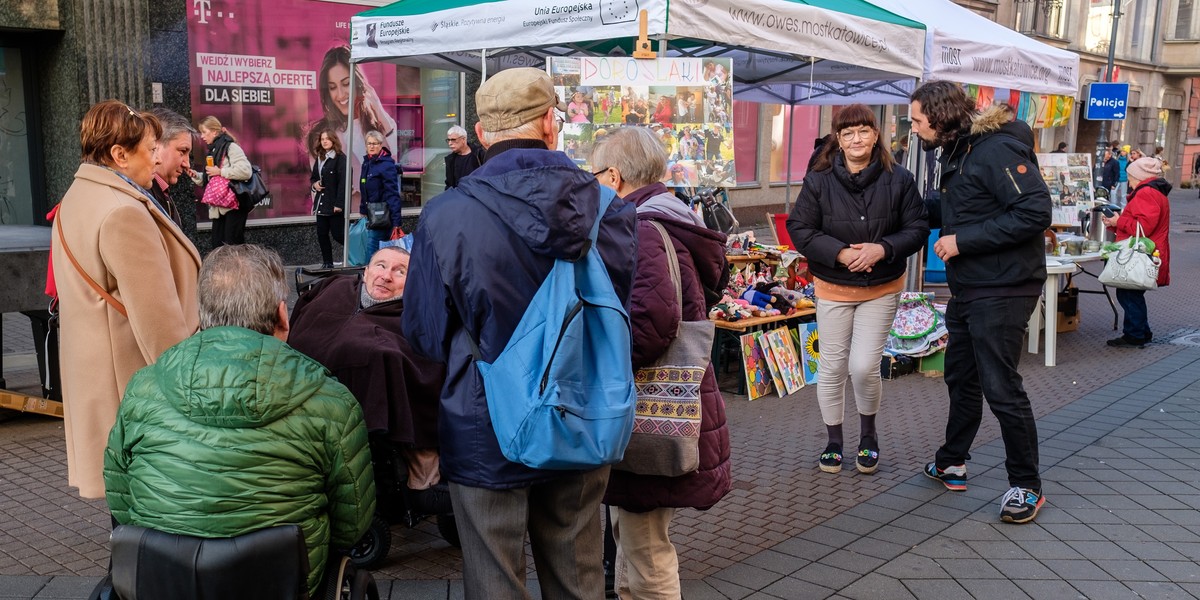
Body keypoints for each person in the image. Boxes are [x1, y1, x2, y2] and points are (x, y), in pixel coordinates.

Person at [402, 67, 637, 600]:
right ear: (551, 124)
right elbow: (616, 312)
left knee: (493, 583)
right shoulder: (611, 211)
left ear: (482, 134)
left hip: (482, 420)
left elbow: (422, 333)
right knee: (579, 579)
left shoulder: (445, 215)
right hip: (582, 415)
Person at [103, 244, 375, 599]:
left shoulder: (144, 386)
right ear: (282, 314)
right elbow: (351, 522)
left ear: (202, 314)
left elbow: (121, 497)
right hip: (281, 585)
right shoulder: (330, 400)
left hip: (164, 582)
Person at [591, 126, 732, 600]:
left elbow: (650, 323)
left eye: (594, 174)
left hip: (646, 405)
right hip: (666, 407)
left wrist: (600, 361)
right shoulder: (669, 217)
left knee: (646, 548)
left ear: (614, 175)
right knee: (634, 541)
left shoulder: (643, 227)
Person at [909, 81, 1051, 524]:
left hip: (1005, 287)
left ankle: (1026, 486)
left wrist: (962, 241)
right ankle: (952, 459)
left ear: (940, 115)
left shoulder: (993, 150)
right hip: (971, 286)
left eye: (916, 120)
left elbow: (1034, 212)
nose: (913, 129)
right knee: (961, 376)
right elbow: (965, 205)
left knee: (1000, 386)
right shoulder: (959, 150)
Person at [50, 100, 201, 499]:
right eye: (150, 150)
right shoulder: (123, 212)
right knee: (144, 501)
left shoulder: (78, 197)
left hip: (96, 374)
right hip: (131, 382)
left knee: (122, 495)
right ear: (119, 155)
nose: (156, 158)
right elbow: (159, 325)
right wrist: (191, 394)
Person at [788, 104, 930, 476]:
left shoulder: (899, 178)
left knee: (865, 366)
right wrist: (839, 253)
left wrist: (882, 249)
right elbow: (800, 228)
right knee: (832, 366)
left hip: (881, 285)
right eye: (848, 132)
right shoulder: (818, 179)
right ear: (838, 137)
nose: (856, 139)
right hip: (834, 285)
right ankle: (834, 441)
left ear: (876, 134)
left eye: (863, 131)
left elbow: (917, 227)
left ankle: (868, 436)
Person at [289, 246, 449, 513]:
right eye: (380, 266)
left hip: (368, 419)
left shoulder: (416, 318)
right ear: (365, 272)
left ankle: (422, 476)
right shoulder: (333, 289)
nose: (386, 276)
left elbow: (425, 367)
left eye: (400, 272)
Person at [309, 45, 397, 206]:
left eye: (346, 83)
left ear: (357, 82)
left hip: (377, 212)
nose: (341, 94)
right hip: (341, 215)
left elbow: (393, 164)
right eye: (333, 87)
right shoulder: (321, 134)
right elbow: (322, 186)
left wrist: (377, 107)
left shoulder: (380, 123)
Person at [1101, 157, 1171, 348]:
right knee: (1132, 293)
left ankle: (1135, 334)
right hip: (1146, 249)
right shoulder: (1153, 192)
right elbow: (1140, 226)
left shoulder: (1146, 193)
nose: (1129, 181)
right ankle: (1142, 331)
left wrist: (1118, 222)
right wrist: (1116, 225)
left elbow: (1143, 227)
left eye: (1131, 177)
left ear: (1140, 177)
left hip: (1141, 252)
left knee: (1129, 293)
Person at [197, 116, 253, 247]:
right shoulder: (213, 151)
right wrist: (196, 176)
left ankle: (241, 268)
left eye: (204, 132)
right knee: (217, 247)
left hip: (234, 205)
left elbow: (245, 171)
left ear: (214, 132)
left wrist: (220, 171)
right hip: (219, 207)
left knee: (232, 247)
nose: (201, 136)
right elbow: (213, 180)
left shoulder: (231, 147)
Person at [360, 129, 403, 255]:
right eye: (369, 143)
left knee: (372, 251)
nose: (372, 146)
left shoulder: (386, 165)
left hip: (382, 215)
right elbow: (364, 188)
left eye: (375, 143)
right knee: (380, 252)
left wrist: (396, 222)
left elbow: (393, 193)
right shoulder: (367, 163)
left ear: (380, 145)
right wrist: (363, 209)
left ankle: (369, 273)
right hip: (371, 214)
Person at [148, 108, 194, 226]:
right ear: (155, 145)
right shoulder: (143, 195)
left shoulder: (159, 191)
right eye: (182, 151)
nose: (187, 164)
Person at [310, 128, 347, 269]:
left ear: (333, 140)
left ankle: (355, 255)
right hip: (321, 203)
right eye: (322, 139)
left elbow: (343, 183)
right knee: (321, 234)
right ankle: (327, 263)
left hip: (334, 205)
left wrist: (339, 204)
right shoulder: (320, 158)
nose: (324, 141)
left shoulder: (340, 158)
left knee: (338, 235)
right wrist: (315, 185)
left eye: (327, 139)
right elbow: (313, 177)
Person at [444, 125, 484, 189]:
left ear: (463, 139)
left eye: (453, 140)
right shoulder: (451, 159)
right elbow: (449, 184)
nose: (450, 143)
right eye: (448, 140)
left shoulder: (479, 155)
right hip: (458, 196)